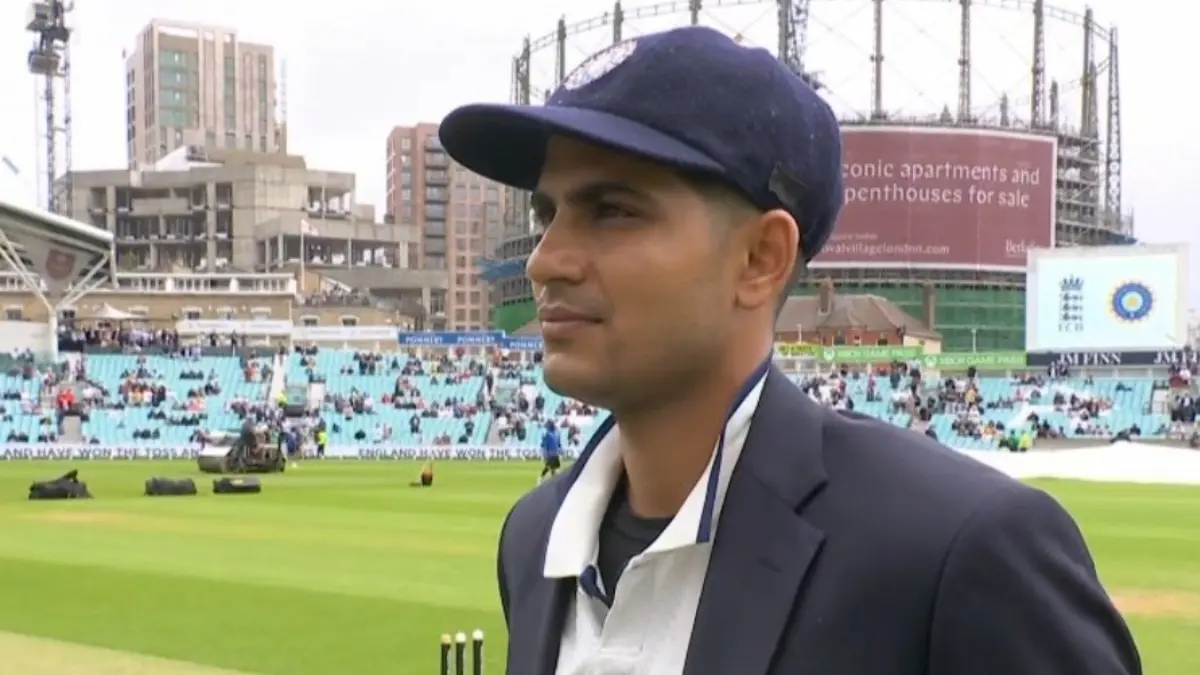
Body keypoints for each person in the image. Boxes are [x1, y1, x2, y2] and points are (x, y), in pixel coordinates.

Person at [439, 25, 1141, 675]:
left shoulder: (962, 551)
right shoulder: (533, 539)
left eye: (612, 210)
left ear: (761, 258)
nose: (545, 260)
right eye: (547, 214)